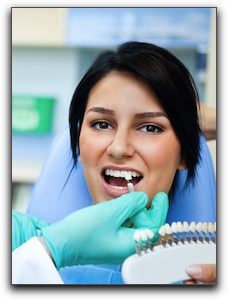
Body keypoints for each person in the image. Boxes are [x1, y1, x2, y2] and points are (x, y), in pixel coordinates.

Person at [12, 41, 216, 284]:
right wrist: (48, 249)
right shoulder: (17, 238)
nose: (119, 148)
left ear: (184, 154)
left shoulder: (208, 272)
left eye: (150, 127)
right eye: (101, 124)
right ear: (77, 144)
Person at [12, 192, 168, 284]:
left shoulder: (188, 273)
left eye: (151, 133)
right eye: (100, 132)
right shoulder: (17, 233)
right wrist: (48, 249)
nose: (118, 148)